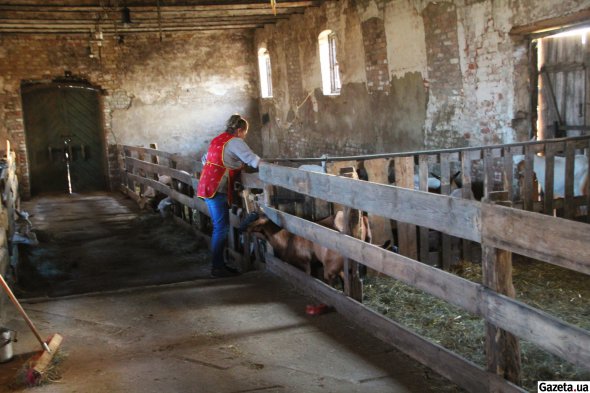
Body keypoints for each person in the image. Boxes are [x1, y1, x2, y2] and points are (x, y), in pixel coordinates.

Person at [197, 114, 261, 278]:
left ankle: (220, 264)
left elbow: (204, 159)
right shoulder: (235, 141)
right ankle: (217, 267)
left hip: (208, 185)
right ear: (239, 130)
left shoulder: (218, 139)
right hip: (218, 187)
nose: (244, 136)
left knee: (219, 227)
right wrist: (269, 168)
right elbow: (252, 160)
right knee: (221, 228)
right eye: (244, 133)